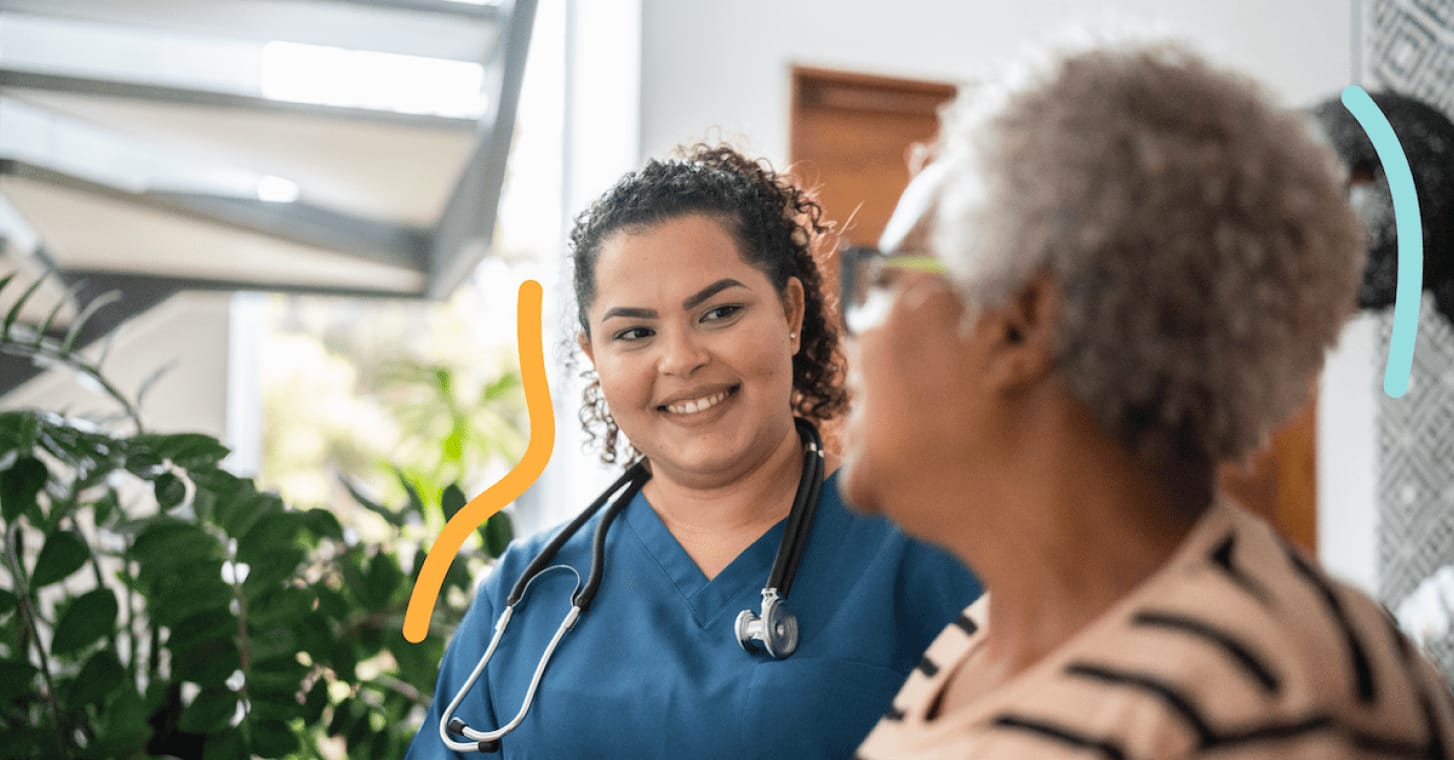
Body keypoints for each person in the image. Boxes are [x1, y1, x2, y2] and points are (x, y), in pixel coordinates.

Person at [840, 42, 1454, 758]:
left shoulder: (1260, 699)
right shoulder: (968, 647)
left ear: (1018, 325)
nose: (853, 333)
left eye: (881, 283)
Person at [406, 144, 982, 759]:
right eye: (634, 333)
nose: (680, 359)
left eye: (720, 312)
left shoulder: (927, 554)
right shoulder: (527, 591)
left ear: (790, 312)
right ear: (594, 356)